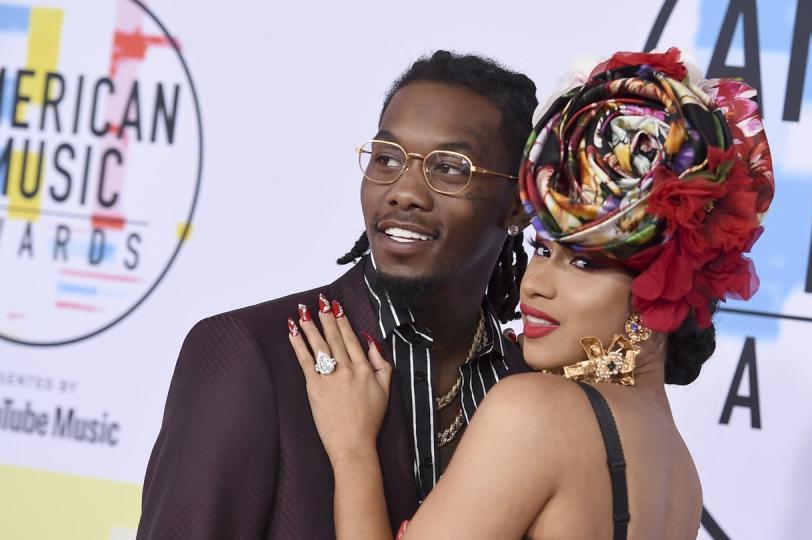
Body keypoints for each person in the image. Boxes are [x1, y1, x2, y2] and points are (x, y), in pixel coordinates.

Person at [286, 48, 774, 539]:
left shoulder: (533, 412)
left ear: (660, 284)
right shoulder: (678, 469)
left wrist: (352, 452)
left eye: (583, 262)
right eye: (542, 250)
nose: (535, 284)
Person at [136, 51, 538, 539]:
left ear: (519, 205)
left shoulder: (533, 391)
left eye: (449, 168)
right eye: (387, 158)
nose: (402, 192)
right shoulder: (253, 354)